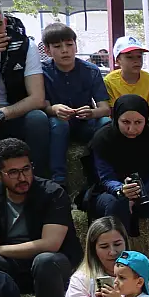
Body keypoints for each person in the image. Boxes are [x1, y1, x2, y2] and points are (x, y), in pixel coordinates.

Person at [0, 137, 80, 297]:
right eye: (13, 172)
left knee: (45, 260)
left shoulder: (52, 193)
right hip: (14, 268)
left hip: (55, 268)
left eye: (26, 169)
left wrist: (0, 248)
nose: (22, 177)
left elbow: (51, 243)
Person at [82, 94, 149, 273]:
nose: (132, 129)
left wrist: (139, 190)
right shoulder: (103, 138)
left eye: (138, 123)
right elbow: (104, 176)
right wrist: (121, 190)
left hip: (144, 190)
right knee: (118, 203)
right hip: (107, 193)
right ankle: (119, 266)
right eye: (125, 122)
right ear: (116, 118)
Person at [40, 22, 111, 188]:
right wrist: (53, 109)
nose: (65, 50)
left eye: (69, 44)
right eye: (58, 46)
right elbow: (40, 104)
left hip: (85, 122)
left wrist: (92, 113)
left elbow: (105, 108)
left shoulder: (91, 70)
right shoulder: (42, 72)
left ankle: (103, 175)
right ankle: (59, 181)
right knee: (59, 124)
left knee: (106, 123)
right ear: (47, 50)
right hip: (57, 123)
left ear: (76, 46)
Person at [0, 6, 50, 171]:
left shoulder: (25, 45)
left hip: (13, 112)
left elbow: (37, 97)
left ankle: (39, 179)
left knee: (37, 118)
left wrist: (0, 115)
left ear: (4, 22)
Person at [103, 36, 149, 123]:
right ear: (117, 61)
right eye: (130, 57)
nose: (136, 61)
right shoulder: (109, 81)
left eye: (139, 56)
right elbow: (112, 113)